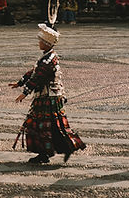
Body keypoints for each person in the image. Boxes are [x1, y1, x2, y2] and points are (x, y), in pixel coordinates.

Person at [11, 24, 87, 164]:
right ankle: (62, 148)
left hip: (47, 98)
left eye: (41, 41)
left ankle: (46, 153)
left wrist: (25, 92)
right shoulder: (48, 57)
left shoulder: (48, 60)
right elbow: (33, 72)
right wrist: (20, 82)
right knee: (52, 125)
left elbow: (38, 77)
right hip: (50, 97)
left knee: (42, 125)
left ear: (46, 43)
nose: (38, 43)